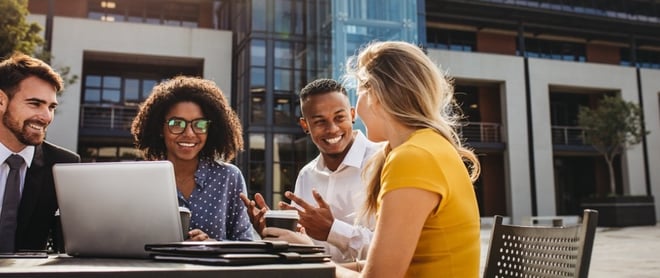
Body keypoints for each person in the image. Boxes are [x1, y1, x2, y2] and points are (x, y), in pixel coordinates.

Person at [336, 41, 482, 278]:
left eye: (359, 90)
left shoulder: (412, 158)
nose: (356, 106)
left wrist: (312, 267)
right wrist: (310, 258)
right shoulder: (428, 147)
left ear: (377, 94)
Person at [241, 78, 380, 262]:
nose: (332, 129)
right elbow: (305, 248)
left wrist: (333, 230)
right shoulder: (307, 175)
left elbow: (395, 248)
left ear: (352, 114)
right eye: (319, 121)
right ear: (305, 125)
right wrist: (275, 232)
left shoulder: (382, 160)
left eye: (340, 117)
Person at [131, 76, 253, 241]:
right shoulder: (140, 179)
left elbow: (246, 243)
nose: (189, 133)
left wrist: (213, 246)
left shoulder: (228, 177)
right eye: (176, 123)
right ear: (161, 128)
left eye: (199, 124)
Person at [0, 53, 80, 253]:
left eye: (51, 107)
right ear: (1, 101)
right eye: (35, 104)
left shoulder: (64, 166)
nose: (46, 116)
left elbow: (71, 246)